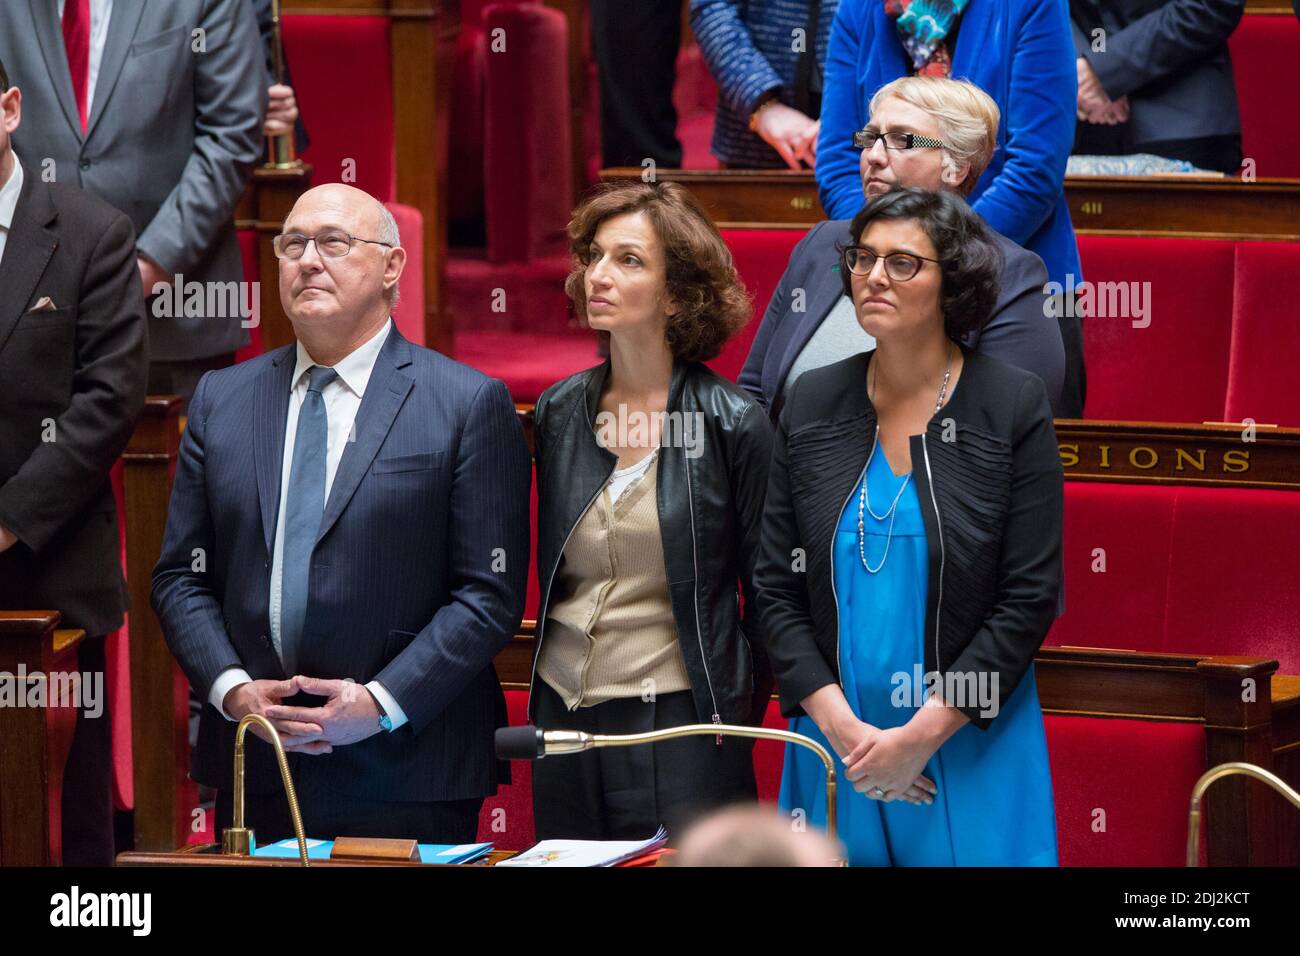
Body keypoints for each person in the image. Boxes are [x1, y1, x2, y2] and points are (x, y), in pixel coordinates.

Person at [151, 184, 531, 844]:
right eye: (292, 244)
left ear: (392, 267)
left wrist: (378, 705)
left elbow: (487, 594)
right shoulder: (222, 399)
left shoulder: (466, 403)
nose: (307, 260)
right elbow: (181, 577)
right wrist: (234, 690)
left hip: (407, 768)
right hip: (258, 760)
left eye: (333, 243)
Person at [755, 187, 1062, 866]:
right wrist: (843, 732)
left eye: (902, 263)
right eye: (863, 259)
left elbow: (1030, 596)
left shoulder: (1009, 403)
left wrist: (918, 739)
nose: (872, 277)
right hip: (838, 745)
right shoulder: (813, 400)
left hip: (966, 740)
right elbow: (775, 586)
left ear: (952, 282)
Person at [529, 181, 774, 841]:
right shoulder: (559, 410)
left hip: (680, 725)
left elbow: (770, 595)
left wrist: (728, 715)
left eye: (628, 260)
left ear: (676, 294)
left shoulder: (732, 422)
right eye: (593, 256)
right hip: (560, 718)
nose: (596, 276)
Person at [0, 56, 148, 865]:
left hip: (48, 570)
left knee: (68, 820)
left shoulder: (92, 232)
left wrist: (7, 521)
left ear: (10, 110)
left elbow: (107, 403)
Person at [741, 76, 1074, 418]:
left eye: (902, 140)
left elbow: (1006, 430)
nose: (874, 156)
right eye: (870, 138)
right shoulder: (823, 244)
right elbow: (754, 396)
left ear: (957, 167)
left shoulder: (1011, 275)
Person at [0, 0, 265, 402]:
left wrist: (141, 268)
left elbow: (232, 134)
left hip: (171, 315)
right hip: (23, 318)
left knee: (183, 463)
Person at [815, 0, 1081, 294]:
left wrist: (942, 264)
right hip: (882, 284)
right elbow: (838, 163)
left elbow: (1036, 165)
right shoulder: (858, 8)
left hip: (1009, 277)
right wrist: (883, 255)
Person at [1071, 0, 1245, 174]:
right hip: (1079, 119)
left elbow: (1213, 5)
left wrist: (1105, 71)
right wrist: (1082, 72)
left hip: (1179, 118)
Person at [691, 0, 840, 169]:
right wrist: (760, 100)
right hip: (756, 135)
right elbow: (712, 7)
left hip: (861, 134)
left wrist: (849, 110)